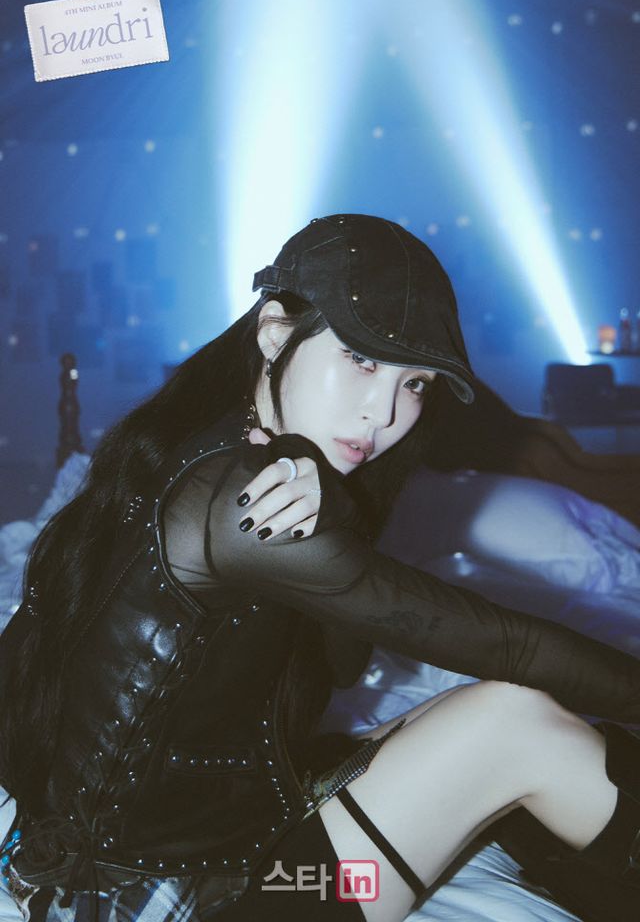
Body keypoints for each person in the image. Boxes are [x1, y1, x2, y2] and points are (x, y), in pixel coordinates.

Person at [0, 213, 638, 922]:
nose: (382, 413)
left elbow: (339, 660)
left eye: (415, 383)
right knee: (512, 723)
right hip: (166, 898)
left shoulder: (223, 449)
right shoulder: (244, 501)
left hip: (199, 841)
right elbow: (508, 645)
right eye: (361, 360)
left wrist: (333, 502)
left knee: (481, 724)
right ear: (275, 333)